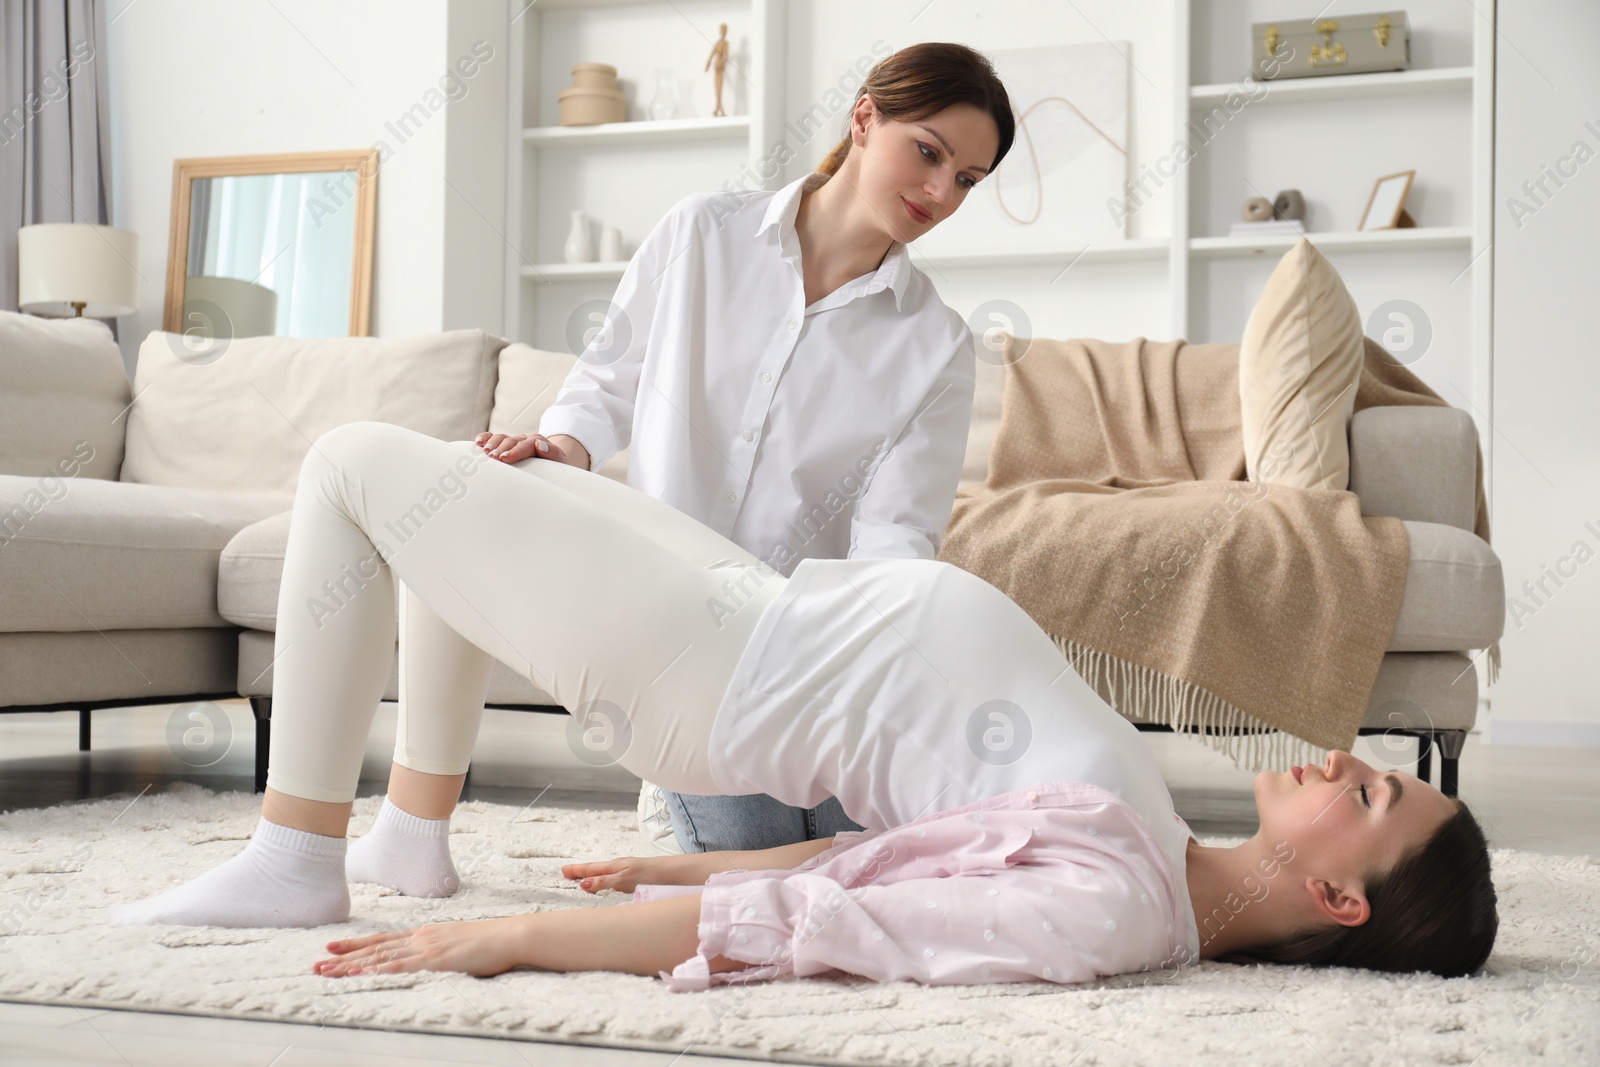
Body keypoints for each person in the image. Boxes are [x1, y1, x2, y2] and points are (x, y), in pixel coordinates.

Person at [111, 420, 1499, 989]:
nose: (1340, 756)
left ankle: (299, 855)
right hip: (765, 610)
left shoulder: (1115, 911)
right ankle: (405, 837)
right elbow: (884, 852)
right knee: (479, 477)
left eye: (1368, 790)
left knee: (358, 464)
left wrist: (526, 936)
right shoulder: (1158, 858)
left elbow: (843, 917)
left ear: (1341, 899)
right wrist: (693, 851)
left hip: (721, 673)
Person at [473, 40, 1015, 860]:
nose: (941, 193)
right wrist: (561, 445)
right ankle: (670, 798)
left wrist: (874, 667)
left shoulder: (935, 344)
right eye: (929, 154)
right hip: (670, 640)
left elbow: (894, 538)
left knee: (853, 869)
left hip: (811, 660)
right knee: (750, 874)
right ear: (865, 118)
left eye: (968, 180)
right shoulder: (701, 235)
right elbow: (607, 384)